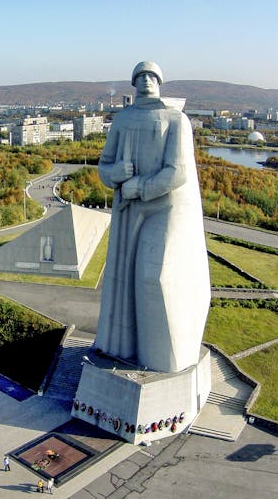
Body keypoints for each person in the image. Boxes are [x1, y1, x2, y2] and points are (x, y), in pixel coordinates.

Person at [94, 61, 210, 373]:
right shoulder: (124, 118)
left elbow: (178, 172)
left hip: (166, 206)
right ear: (133, 83)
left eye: (151, 76)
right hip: (130, 208)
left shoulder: (176, 119)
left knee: (155, 276)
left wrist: (139, 186)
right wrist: (116, 174)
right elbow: (104, 165)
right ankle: (130, 351)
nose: (146, 80)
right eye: (140, 76)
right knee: (126, 278)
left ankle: (164, 360)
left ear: (159, 81)